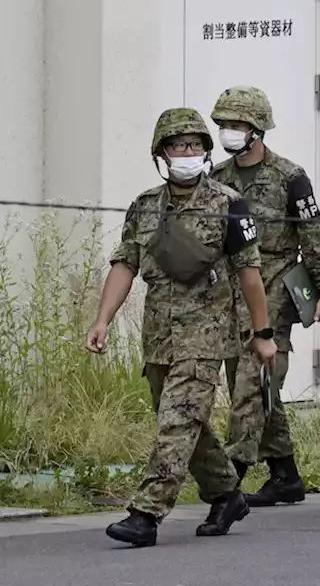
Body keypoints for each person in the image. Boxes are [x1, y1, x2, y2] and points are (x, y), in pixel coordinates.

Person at [87, 107, 276, 547]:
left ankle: (146, 513)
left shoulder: (228, 204)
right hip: (159, 336)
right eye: (177, 145)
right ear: (162, 153)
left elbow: (251, 274)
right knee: (187, 422)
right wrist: (102, 320)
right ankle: (226, 493)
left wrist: (263, 335)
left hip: (206, 336)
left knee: (177, 422)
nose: (187, 153)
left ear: (206, 151)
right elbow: (125, 263)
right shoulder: (145, 206)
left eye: (195, 145)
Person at [209, 86, 320, 507]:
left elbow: (314, 233)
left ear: (257, 130)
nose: (229, 132)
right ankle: (285, 474)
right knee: (252, 383)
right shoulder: (217, 178)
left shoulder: (290, 176)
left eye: (237, 125)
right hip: (231, 294)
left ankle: (231, 478)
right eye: (224, 125)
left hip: (276, 291)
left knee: (253, 382)